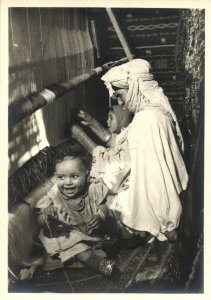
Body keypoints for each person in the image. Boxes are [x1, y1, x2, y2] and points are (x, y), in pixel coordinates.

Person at [73, 58, 189, 243]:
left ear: (135, 87)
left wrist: (167, 224)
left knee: (111, 217)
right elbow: (120, 144)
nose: (122, 102)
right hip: (162, 204)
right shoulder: (153, 114)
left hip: (162, 209)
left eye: (120, 94)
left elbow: (156, 177)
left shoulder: (147, 120)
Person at [35, 147, 119, 277]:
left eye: (74, 176)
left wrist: (99, 215)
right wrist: (46, 215)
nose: (67, 182)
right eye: (61, 177)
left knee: (113, 226)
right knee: (79, 249)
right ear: (56, 176)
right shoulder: (54, 195)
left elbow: (103, 206)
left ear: (86, 175)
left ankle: (102, 245)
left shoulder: (92, 189)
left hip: (90, 229)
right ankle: (101, 265)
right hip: (67, 232)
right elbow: (39, 220)